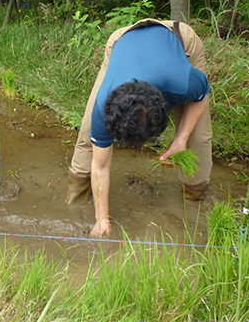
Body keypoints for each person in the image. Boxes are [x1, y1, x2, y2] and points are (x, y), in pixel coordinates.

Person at [64, 19, 212, 238]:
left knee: (197, 139)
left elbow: (202, 95)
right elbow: (101, 165)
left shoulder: (182, 82)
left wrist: (181, 137)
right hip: (123, 41)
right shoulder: (104, 107)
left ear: (165, 102)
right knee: (88, 134)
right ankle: (76, 190)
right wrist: (101, 219)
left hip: (180, 42)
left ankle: (194, 198)